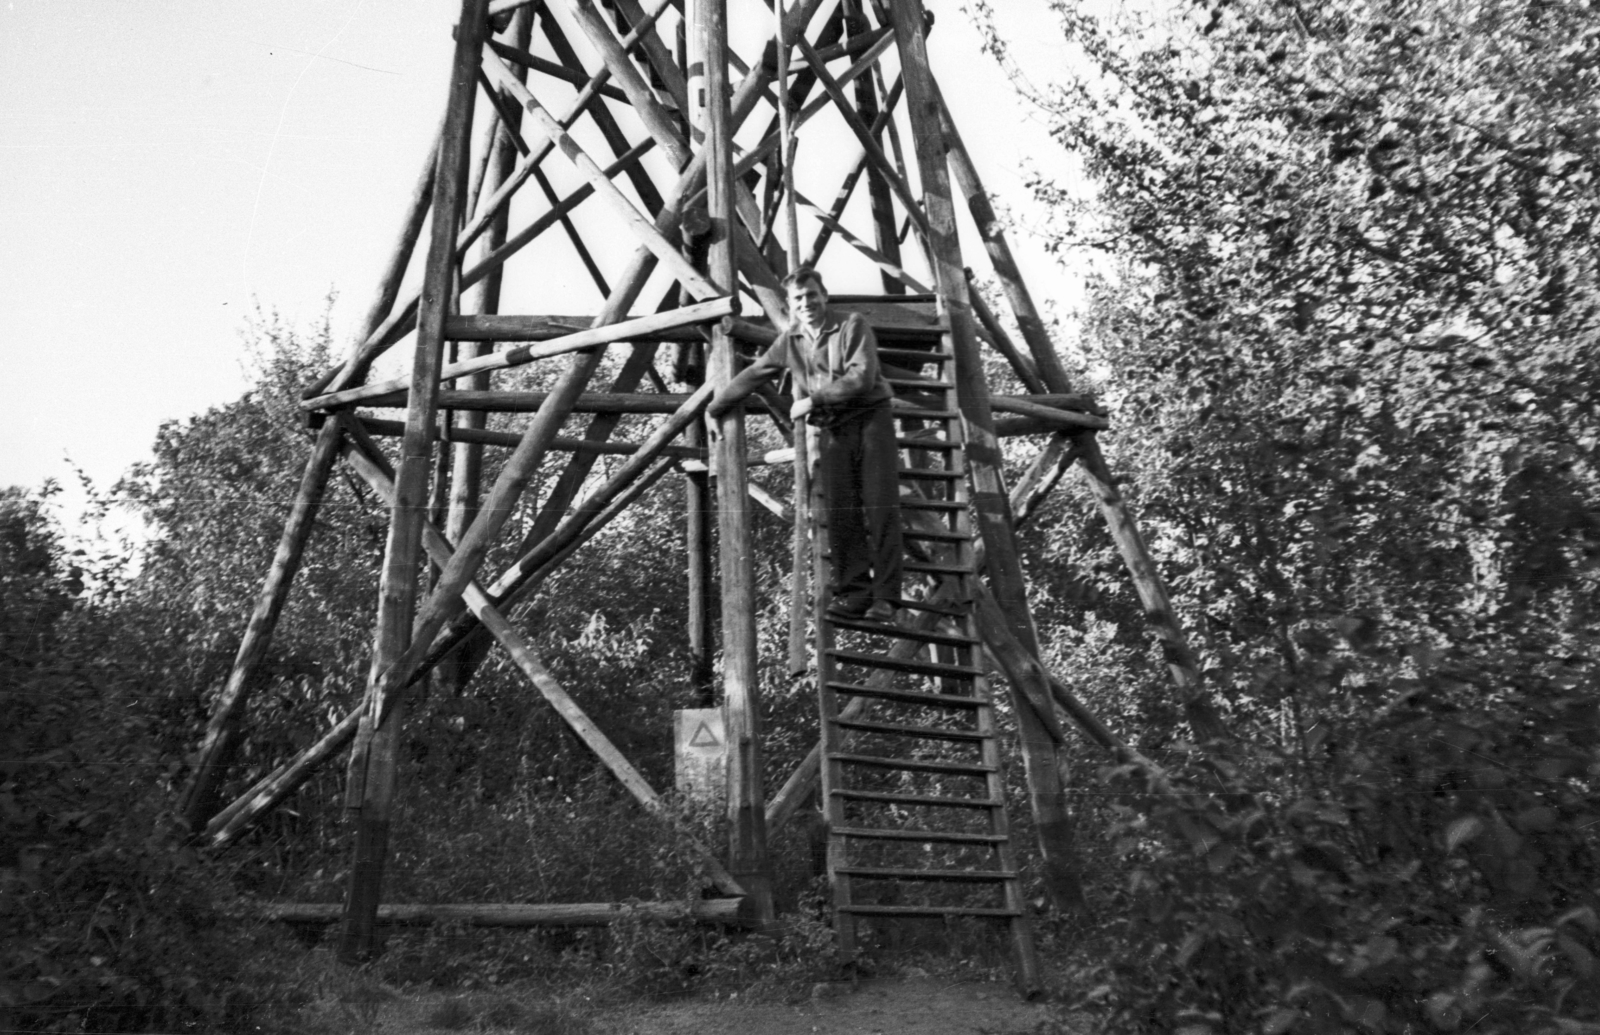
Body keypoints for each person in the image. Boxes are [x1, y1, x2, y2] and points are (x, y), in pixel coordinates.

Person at [707, 268, 903, 623]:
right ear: (791, 305)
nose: (807, 303)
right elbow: (754, 373)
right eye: (798, 299)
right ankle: (856, 595)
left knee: (880, 506)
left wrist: (811, 401)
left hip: (871, 419)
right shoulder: (791, 340)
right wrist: (714, 407)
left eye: (812, 295)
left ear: (824, 296)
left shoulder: (851, 325)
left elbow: (862, 377)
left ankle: (887, 599)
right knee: (840, 511)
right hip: (834, 428)